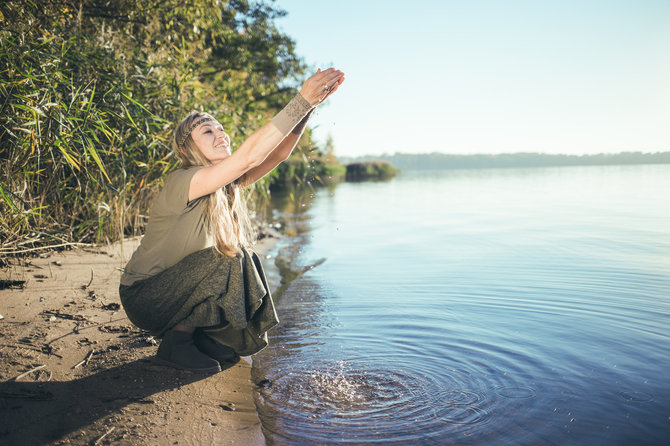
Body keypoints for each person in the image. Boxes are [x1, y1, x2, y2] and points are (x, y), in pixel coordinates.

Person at [119, 68, 345, 373]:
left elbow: (276, 155)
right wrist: (300, 101)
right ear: (187, 149)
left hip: (180, 288)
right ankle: (177, 344)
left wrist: (310, 108)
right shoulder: (185, 180)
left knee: (243, 255)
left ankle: (209, 339)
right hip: (146, 297)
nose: (221, 134)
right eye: (207, 131)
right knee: (228, 257)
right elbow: (247, 157)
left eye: (221, 129)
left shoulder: (227, 185)